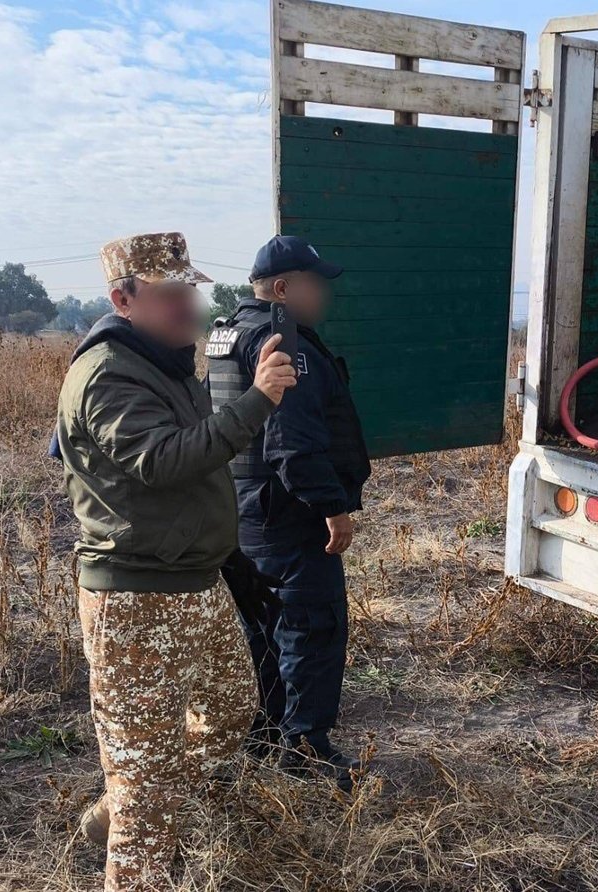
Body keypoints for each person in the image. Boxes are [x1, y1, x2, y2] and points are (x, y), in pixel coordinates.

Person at [55, 232, 296, 892]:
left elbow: (192, 450)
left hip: (196, 583)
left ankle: (122, 807)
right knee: (150, 788)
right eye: (170, 295)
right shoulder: (107, 374)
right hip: (135, 601)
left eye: (189, 290)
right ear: (123, 299)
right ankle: (135, 824)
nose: (188, 305)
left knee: (227, 710)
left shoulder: (160, 359)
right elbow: (164, 461)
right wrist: (258, 401)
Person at [206, 235, 371, 786]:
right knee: (309, 627)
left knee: (263, 627)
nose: (323, 294)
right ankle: (305, 750)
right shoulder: (283, 342)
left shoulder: (227, 332)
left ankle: (267, 734)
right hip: (287, 514)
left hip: (241, 510)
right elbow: (292, 444)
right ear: (282, 287)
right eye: (315, 283)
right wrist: (333, 507)